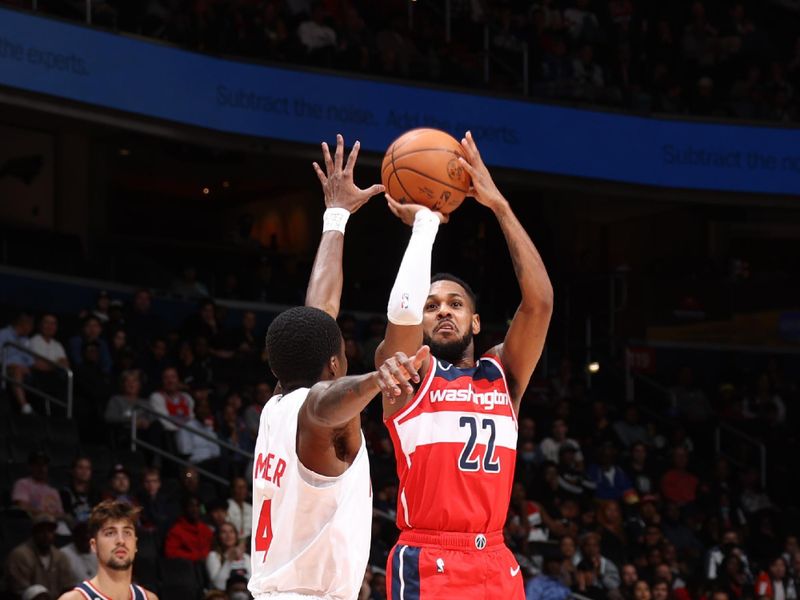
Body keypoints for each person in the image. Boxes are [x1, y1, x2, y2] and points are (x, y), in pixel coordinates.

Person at [375, 131, 553, 599]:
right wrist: (424, 228)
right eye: (432, 305)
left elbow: (540, 304)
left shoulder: (502, 375)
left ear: (475, 322)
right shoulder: (408, 377)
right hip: (429, 557)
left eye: (455, 304)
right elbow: (402, 316)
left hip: (496, 557)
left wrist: (499, 206)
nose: (443, 311)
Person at [248, 135, 419, 600]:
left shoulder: (275, 408)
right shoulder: (317, 412)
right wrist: (373, 379)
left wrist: (336, 217)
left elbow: (319, 312)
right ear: (333, 363)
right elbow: (325, 405)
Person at [56, 500, 158, 600]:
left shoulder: (149, 598)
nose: (121, 540)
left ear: (135, 544)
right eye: (110, 533)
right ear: (94, 545)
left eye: (127, 532)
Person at [7, 514, 73, 597]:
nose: (46, 535)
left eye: (50, 531)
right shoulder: (20, 555)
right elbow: (19, 591)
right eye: (41, 531)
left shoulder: (60, 556)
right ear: (33, 532)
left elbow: (68, 586)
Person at [0, 312, 36, 413]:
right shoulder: (3, 334)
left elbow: (30, 361)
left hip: (24, 371)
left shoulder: (26, 340)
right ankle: (24, 406)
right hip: (6, 369)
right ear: (23, 323)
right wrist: (11, 364)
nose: (32, 328)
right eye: (30, 324)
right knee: (17, 370)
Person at [164, 495, 214, 563]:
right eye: (191, 506)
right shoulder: (176, 531)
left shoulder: (206, 530)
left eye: (197, 506)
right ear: (184, 509)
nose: (195, 509)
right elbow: (170, 553)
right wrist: (196, 557)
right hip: (187, 568)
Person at [207, 522, 251, 590]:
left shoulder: (246, 557)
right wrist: (229, 560)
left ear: (236, 535)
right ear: (218, 536)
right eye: (224, 532)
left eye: (231, 531)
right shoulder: (213, 556)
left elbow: (252, 583)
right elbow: (218, 585)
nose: (228, 535)